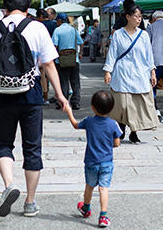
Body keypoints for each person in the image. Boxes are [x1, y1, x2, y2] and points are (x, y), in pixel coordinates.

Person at [0, 0, 68, 218]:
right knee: (32, 147)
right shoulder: (37, 28)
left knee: (3, 143)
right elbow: (48, 64)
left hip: (6, 92)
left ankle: (9, 185)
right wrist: (60, 94)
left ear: (4, 9)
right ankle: (30, 202)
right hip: (32, 92)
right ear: (27, 8)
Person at [103, 0, 158, 144]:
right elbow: (112, 54)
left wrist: (152, 72)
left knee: (135, 105)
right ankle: (120, 129)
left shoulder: (144, 35)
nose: (139, 19)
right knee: (121, 104)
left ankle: (134, 132)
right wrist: (108, 71)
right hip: (122, 73)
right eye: (136, 16)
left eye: (140, 17)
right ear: (127, 17)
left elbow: (149, 55)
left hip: (140, 73)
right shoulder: (118, 34)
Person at [65, 91, 121, 228]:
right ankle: (103, 216)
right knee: (104, 189)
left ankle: (86, 208)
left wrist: (69, 111)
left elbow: (75, 125)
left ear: (92, 107)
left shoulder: (89, 122)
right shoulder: (113, 124)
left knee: (89, 186)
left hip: (91, 161)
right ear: (111, 107)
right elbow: (117, 143)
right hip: (106, 162)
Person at [52, 13, 84, 110]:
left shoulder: (57, 30)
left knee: (63, 82)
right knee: (75, 82)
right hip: (74, 60)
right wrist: (80, 53)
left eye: (57, 21)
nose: (56, 23)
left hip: (61, 61)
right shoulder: (74, 30)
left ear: (60, 21)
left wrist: (52, 58)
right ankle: (76, 102)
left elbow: (54, 46)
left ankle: (63, 102)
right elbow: (81, 42)